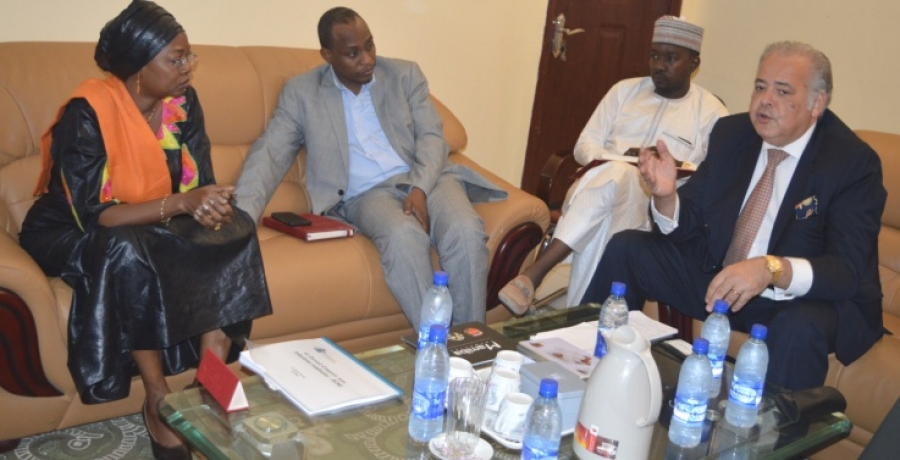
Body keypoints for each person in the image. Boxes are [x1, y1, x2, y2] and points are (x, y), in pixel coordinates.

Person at [18, 1, 273, 458]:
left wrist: (210, 207)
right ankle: (156, 398)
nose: (187, 67)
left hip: (155, 218)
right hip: (70, 229)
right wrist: (182, 204)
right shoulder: (87, 113)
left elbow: (199, 179)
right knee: (124, 247)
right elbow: (97, 215)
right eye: (175, 59)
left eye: (188, 56)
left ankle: (207, 382)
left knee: (235, 228)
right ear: (138, 68)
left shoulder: (184, 103)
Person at [583, 41, 886, 391]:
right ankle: (587, 365)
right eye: (760, 87)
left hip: (797, 301)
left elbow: (845, 270)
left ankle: (774, 424)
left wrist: (770, 268)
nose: (765, 100)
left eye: (782, 91)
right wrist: (667, 198)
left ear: (817, 103)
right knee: (628, 248)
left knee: (799, 329)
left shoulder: (851, 163)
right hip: (722, 280)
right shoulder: (732, 134)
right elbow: (692, 219)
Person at [235, 7, 505, 329]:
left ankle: (473, 341)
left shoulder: (404, 75)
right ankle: (436, 344)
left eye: (370, 46)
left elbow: (432, 136)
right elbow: (269, 154)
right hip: (367, 195)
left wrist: (419, 186)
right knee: (404, 239)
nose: (367, 59)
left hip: (428, 178)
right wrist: (240, 220)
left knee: (465, 231)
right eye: (352, 53)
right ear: (327, 55)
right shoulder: (302, 93)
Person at [499, 16, 727, 313]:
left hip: (652, 208)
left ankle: (535, 276)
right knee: (614, 181)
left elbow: (709, 175)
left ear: (694, 63)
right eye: (654, 55)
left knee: (606, 208)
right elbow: (585, 146)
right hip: (598, 188)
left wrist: (664, 168)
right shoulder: (624, 92)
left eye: (671, 58)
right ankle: (581, 319)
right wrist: (623, 161)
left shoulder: (711, 113)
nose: (659, 65)